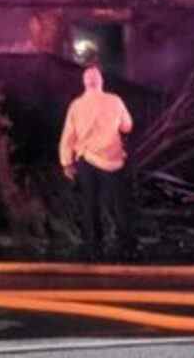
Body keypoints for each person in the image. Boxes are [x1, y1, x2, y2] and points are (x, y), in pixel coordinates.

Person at [59, 64, 135, 257]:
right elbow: (127, 126)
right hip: (114, 160)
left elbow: (68, 135)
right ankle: (126, 243)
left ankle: (94, 244)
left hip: (88, 159)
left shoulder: (76, 105)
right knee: (119, 203)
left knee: (90, 203)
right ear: (101, 82)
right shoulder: (115, 100)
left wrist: (66, 162)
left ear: (84, 83)